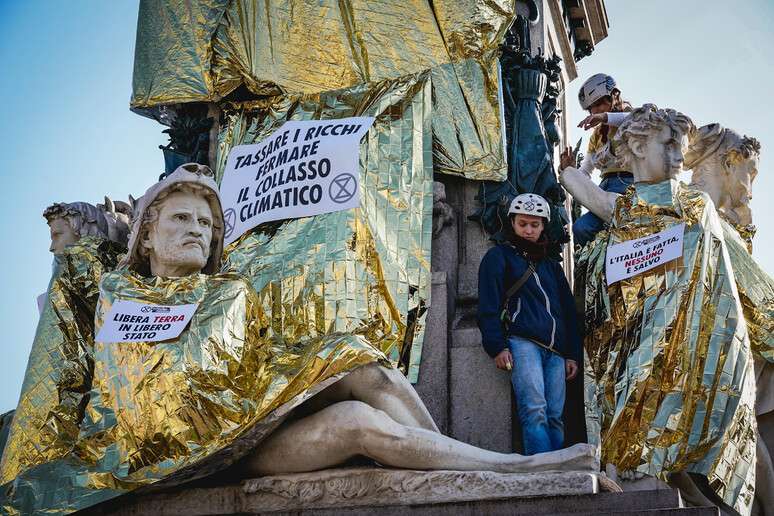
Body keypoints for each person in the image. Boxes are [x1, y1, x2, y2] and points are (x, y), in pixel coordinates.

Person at [477, 193, 582, 455]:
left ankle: (560, 471)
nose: (528, 230)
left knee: (556, 415)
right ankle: (543, 474)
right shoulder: (498, 257)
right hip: (523, 344)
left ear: (543, 225)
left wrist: (571, 354)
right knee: (534, 409)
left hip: (556, 352)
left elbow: (568, 313)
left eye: (534, 225)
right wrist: (497, 346)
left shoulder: (552, 267)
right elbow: (487, 306)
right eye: (523, 223)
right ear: (512, 222)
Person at [559, 73, 633, 247]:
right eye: (591, 108)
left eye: (599, 103)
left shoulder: (633, 118)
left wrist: (604, 117)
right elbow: (585, 173)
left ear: (614, 96)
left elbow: (633, 119)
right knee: (580, 229)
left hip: (630, 187)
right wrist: (569, 170)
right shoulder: (596, 137)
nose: (595, 111)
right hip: (604, 189)